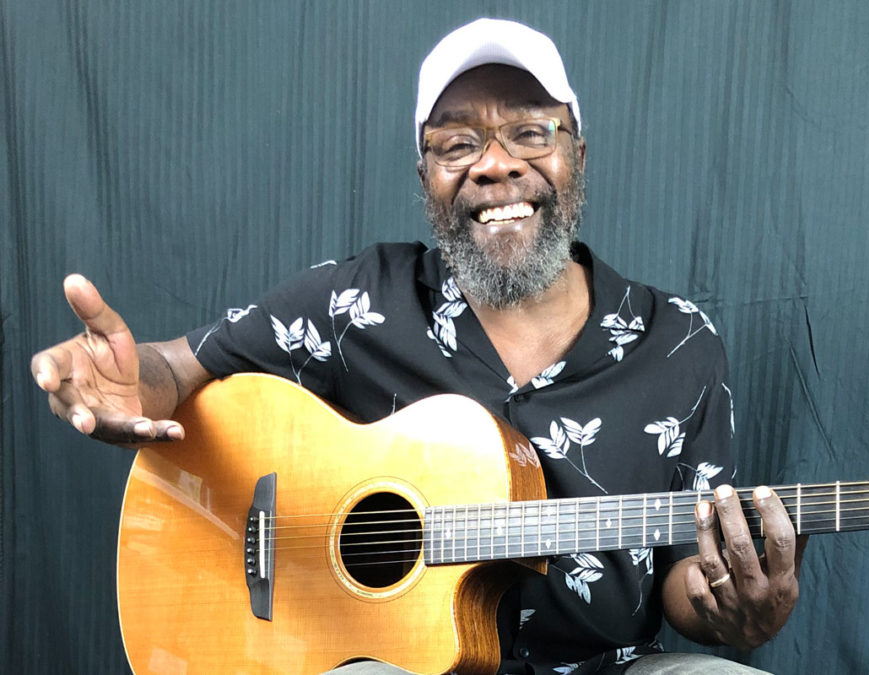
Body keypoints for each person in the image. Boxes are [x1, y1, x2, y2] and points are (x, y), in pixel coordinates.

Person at [31, 18, 805, 675]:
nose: (495, 164)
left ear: (577, 151)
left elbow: (684, 576)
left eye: (531, 132)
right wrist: (134, 384)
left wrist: (732, 606)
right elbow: (178, 366)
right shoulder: (356, 298)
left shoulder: (679, 344)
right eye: (456, 143)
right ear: (426, 174)